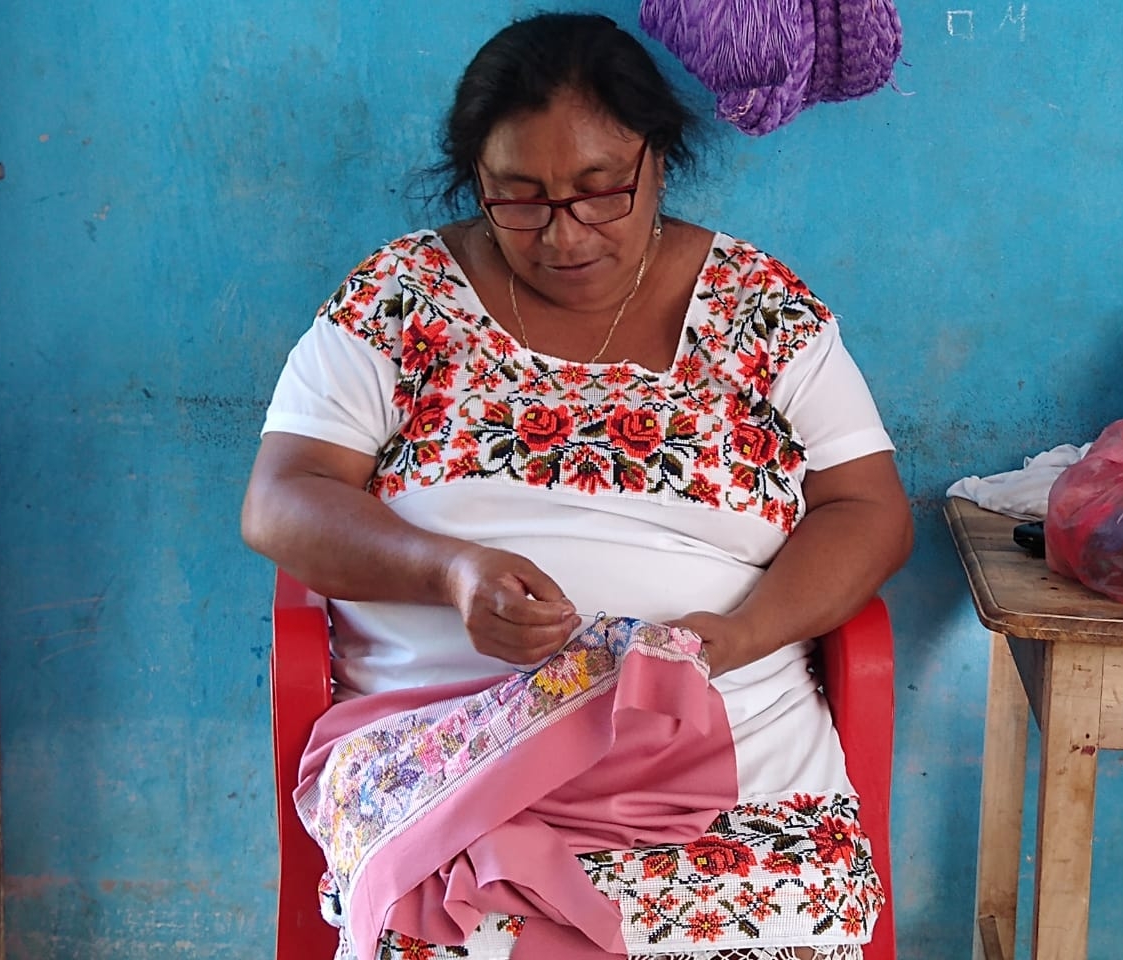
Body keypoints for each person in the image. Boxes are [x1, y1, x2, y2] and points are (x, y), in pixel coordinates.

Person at [242, 12, 913, 960]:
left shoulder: (759, 306)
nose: (565, 235)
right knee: (458, 931)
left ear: (658, 160)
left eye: (602, 193)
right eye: (520, 198)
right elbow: (281, 497)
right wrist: (452, 574)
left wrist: (746, 635)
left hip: (729, 760)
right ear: (475, 180)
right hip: (454, 750)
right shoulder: (402, 297)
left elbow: (869, 508)